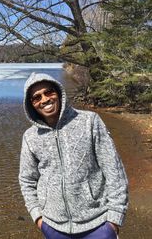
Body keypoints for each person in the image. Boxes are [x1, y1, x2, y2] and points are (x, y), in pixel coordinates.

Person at [19, 73, 128, 239]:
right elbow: (27, 180)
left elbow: (114, 170)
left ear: (59, 93)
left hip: (97, 224)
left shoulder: (89, 121)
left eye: (49, 92)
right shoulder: (30, 136)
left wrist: (114, 220)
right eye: (37, 97)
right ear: (31, 104)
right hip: (54, 227)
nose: (44, 99)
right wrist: (39, 218)